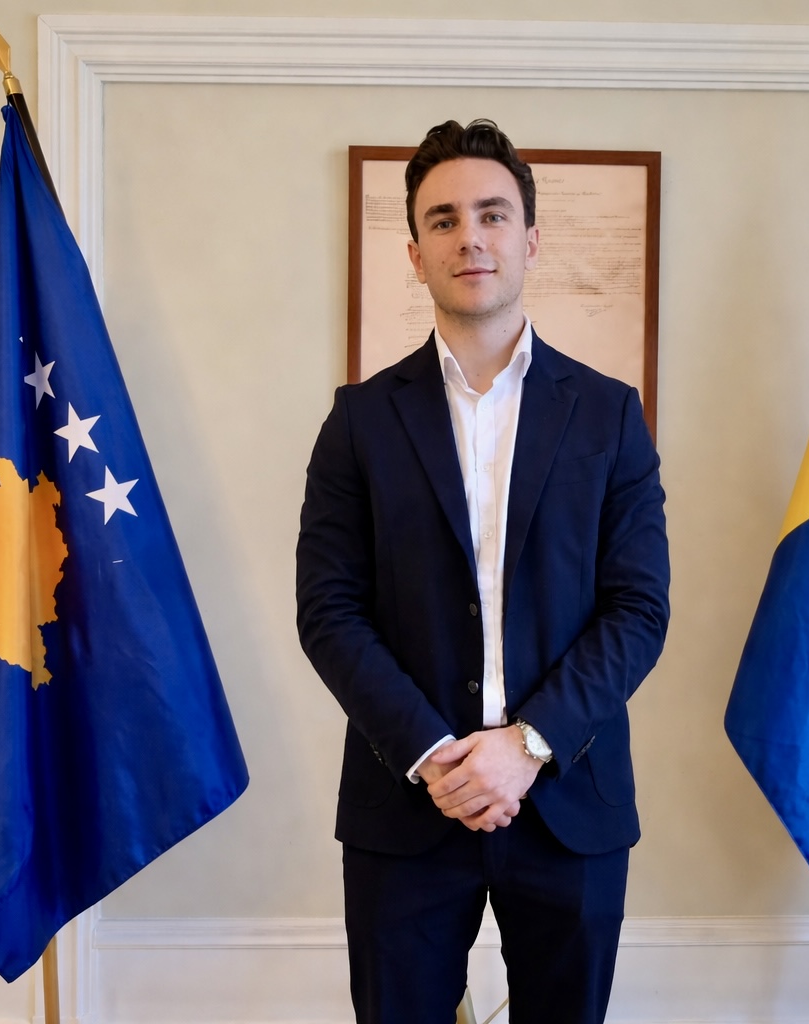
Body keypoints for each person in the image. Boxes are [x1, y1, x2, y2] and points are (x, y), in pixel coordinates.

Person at [296, 118, 670, 1024]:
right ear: (415, 254)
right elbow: (329, 611)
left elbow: (637, 610)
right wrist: (436, 756)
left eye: (493, 214)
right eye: (444, 219)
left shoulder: (609, 416)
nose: (470, 236)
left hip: (569, 800)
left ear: (530, 239)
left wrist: (526, 745)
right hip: (406, 807)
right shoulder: (358, 422)